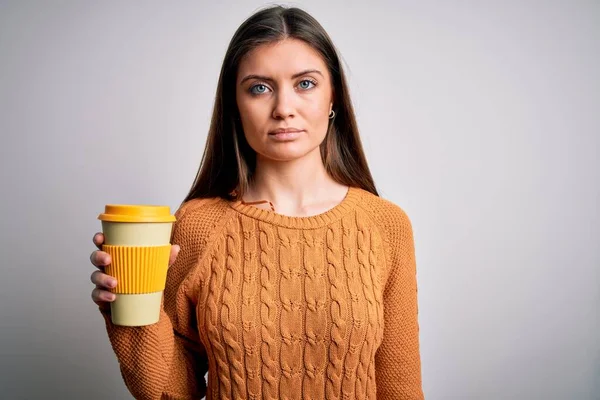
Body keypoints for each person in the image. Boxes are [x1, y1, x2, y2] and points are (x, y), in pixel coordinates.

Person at [89, 5, 424, 400]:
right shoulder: (196, 225)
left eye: (305, 84)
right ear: (235, 105)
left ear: (333, 96)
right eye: (259, 88)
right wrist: (129, 308)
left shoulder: (385, 225)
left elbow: (400, 389)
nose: (284, 108)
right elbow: (171, 393)